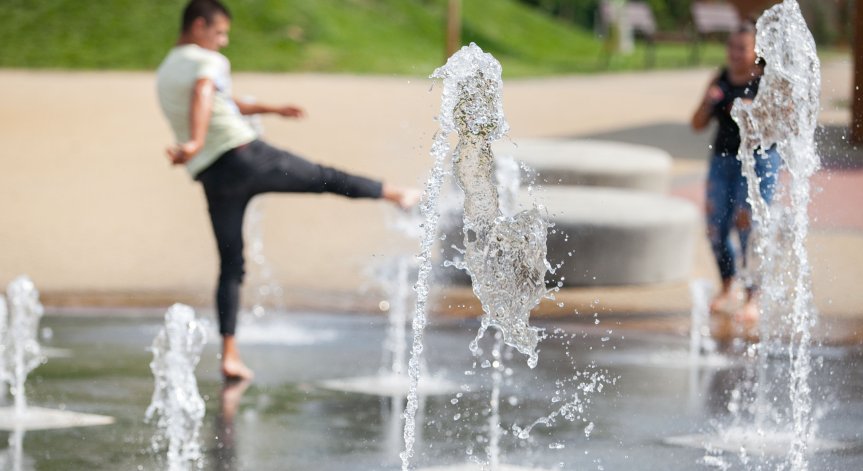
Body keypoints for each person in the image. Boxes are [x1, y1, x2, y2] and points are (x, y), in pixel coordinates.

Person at [156, 0, 419, 380]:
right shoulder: (207, 62)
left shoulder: (166, 69)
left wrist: (271, 109)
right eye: (219, 33)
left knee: (231, 264)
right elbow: (204, 94)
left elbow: (222, 101)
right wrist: (197, 140)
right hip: (244, 156)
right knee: (322, 176)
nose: (224, 41)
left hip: (213, 176)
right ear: (199, 26)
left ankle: (229, 353)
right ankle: (396, 193)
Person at [690, 20, 780, 324]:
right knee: (715, 226)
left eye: (742, 47)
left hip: (759, 161)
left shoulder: (766, 81)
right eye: (731, 46)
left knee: (748, 225)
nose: (734, 53)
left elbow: (778, 126)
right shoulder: (721, 78)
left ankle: (753, 297)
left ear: (756, 51)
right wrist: (708, 102)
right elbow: (696, 124)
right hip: (723, 160)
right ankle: (728, 286)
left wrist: (751, 110)